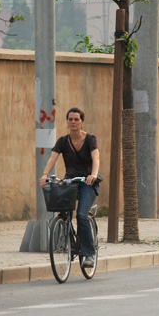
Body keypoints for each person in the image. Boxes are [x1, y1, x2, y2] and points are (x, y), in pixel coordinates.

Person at [39, 107, 100, 268]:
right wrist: (45, 174)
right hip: (70, 182)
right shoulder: (63, 141)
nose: (73, 122)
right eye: (70, 119)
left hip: (87, 182)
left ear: (82, 122)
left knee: (81, 215)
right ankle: (66, 240)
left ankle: (89, 255)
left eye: (76, 119)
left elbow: (96, 157)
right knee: (63, 212)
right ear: (67, 121)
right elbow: (52, 159)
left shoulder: (90, 139)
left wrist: (93, 174)